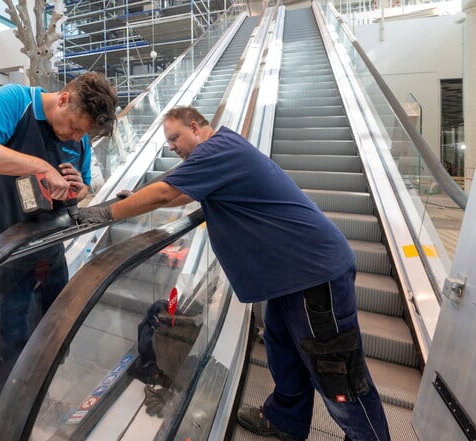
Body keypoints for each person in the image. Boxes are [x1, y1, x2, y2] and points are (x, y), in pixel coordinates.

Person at [77, 106, 390, 441]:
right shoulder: (220, 152)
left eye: (174, 138)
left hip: (313, 273)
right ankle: (285, 420)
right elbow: (181, 192)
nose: (171, 147)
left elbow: (167, 191)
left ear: (195, 127)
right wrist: (135, 198)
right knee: (282, 346)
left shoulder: (218, 149)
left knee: (335, 367)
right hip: (288, 277)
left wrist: (105, 213)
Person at [0, 72, 118, 404]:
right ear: (64, 98)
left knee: (52, 324)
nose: (75, 137)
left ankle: (38, 391)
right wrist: (39, 166)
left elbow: (81, 187)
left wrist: (78, 189)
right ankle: (5, 404)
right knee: (3, 330)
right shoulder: (16, 101)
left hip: (46, 247)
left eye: (83, 133)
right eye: (74, 127)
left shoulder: (79, 137)